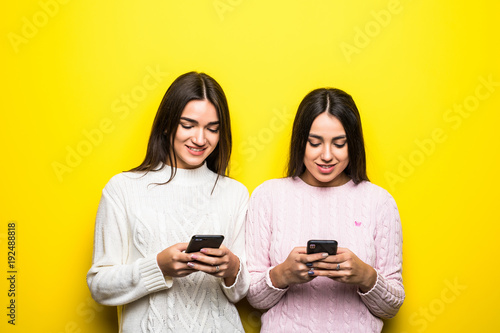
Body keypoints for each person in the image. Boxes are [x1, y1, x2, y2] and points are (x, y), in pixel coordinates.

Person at [87, 72, 249, 333]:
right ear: (166, 124)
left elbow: (239, 292)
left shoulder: (235, 193)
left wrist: (232, 269)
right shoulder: (123, 189)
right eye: (188, 125)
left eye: (212, 128)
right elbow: (100, 287)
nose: (200, 139)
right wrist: (159, 266)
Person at [245, 88, 405, 332]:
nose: (327, 155)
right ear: (300, 142)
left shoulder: (379, 201)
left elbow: (391, 308)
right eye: (314, 143)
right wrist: (282, 274)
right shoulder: (268, 196)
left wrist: (365, 276)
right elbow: (255, 300)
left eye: (339, 144)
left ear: (353, 145)